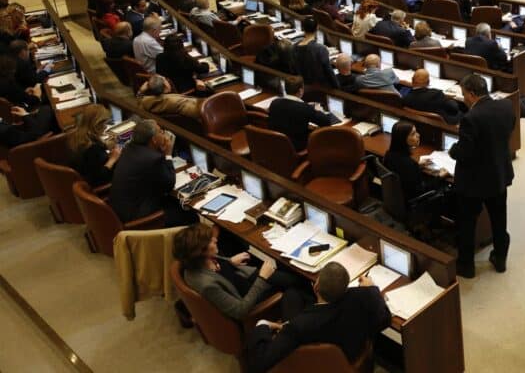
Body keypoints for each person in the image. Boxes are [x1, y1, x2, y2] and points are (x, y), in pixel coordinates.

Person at [245, 262, 390, 373]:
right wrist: (372, 289)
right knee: (293, 294)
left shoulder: (297, 326)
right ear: (346, 289)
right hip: (349, 356)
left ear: (316, 287)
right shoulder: (362, 298)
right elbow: (385, 320)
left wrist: (262, 324)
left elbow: (259, 363)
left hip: (309, 362)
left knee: (292, 294)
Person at [174, 224, 311, 326]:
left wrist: (229, 261)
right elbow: (240, 311)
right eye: (210, 240)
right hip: (249, 297)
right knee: (294, 290)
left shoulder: (197, 262)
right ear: (200, 252)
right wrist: (262, 278)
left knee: (292, 276)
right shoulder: (207, 285)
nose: (215, 240)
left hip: (244, 279)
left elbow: (216, 267)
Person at [449, 74, 515, 278]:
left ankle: (467, 266)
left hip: (474, 181)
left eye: (463, 95)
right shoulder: (505, 107)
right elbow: (508, 129)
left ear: (471, 93)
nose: (463, 99)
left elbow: (465, 152)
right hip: (498, 174)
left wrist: (452, 150)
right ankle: (500, 258)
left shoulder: (471, 119)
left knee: (467, 223)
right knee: (499, 220)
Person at [111, 119, 197, 227]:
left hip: (119, 210)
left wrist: (161, 153)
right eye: (161, 131)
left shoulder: (129, 148)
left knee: (177, 202)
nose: (164, 134)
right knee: (191, 216)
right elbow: (169, 184)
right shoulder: (153, 159)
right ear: (154, 140)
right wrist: (168, 154)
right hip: (138, 216)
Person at [268, 77, 339, 151]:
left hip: (275, 145)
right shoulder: (304, 108)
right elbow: (326, 122)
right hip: (296, 149)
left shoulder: (274, 103)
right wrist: (317, 110)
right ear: (300, 91)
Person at [67, 104, 119, 187]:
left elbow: (93, 156)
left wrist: (105, 146)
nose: (106, 127)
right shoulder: (93, 148)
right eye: (105, 124)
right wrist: (113, 159)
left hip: (81, 176)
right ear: (97, 125)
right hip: (96, 184)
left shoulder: (77, 135)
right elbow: (99, 177)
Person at [382, 120, 435, 199]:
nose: (418, 135)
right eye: (413, 134)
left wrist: (417, 166)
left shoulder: (388, 155)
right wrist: (440, 177)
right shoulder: (409, 164)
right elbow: (420, 191)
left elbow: (402, 170)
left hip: (395, 198)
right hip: (412, 202)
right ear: (403, 139)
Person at [293, 17, 338, 87]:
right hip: (319, 88)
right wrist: (338, 87)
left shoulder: (294, 47)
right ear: (317, 28)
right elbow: (329, 73)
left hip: (302, 85)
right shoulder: (321, 49)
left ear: (303, 28)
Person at [137, 75, 202, 121]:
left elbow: (140, 103)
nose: (167, 81)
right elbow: (199, 111)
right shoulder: (175, 101)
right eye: (165, 80)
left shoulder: (146, 101)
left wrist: (140, 91)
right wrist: (200, 90)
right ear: (166, 87)